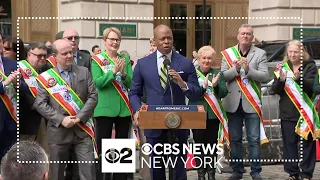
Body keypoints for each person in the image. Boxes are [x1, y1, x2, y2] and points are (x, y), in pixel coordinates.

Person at [129, 24, 201, 180]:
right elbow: (134, 93)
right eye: (163, 39)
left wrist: (183, 84)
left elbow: (196, 92)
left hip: (179, 122)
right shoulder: (143, 64)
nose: (167, 41)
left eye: (170, 38)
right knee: (157, 166)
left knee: (178, 166)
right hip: (154, 123)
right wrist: (136, 110)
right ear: (155, 41)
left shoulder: (185, 63)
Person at [35, 39, 98, 180]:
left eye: (70, 52)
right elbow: (40, 104)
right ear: (55, 56)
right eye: (65, 53)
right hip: (58, 132)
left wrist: (79, 117)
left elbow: (93, 96)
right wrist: (61, 119)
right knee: (56, 173)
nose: (69, 56)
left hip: (82, 130)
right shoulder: (46, 78)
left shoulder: (84, 72)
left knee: (88, 172)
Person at [220, 24, 269, 180]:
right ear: (238, 36)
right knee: (235, 139)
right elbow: (223, 76)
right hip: (232, 103)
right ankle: (237, 171)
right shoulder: (228, 54)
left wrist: (248, 70)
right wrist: (234, 70)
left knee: (254, 139)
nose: (245, 36)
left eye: (248, 34)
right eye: (243, 33)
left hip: (251, 103)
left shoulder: (260, 53)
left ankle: (256, 172)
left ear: (252, 37)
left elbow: (264, 77)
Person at [91, 27, 133, 180]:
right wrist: (113, 72)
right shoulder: (96, 60)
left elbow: (131, 83)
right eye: (112, 39)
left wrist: (123, 73)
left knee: (122, 150)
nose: (115, 42)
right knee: (103, 150)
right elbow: (98, 83)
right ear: (105, 41)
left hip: (123, 109)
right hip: (104, 109)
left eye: (117, 40)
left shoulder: (125, 59)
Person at [273, 40, 317, 180]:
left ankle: (306, 174)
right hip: (287, 112)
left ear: (302, 52)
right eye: (290, 52)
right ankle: (293, 173)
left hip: (305, 113)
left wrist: (299, 79)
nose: (292, 54)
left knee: (307, 145)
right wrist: (281, 80)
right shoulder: (283, 67)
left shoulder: (310, 66)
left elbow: (312, 88)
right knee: (289, 145)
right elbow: (275, 90)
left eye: (296, 52)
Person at [189, 46, 228, 180]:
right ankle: (201, 174)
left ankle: (211, 173)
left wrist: (216, 86)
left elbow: (224, 93)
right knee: (199, 145)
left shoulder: (218, 73)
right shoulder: (192, 74)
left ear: (213, 60)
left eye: (209, 58)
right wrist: (203, 88)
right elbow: (191, 94)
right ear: (199, 59)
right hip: (196, 114)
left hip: (212, 115)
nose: (206, 61)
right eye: (204, 58)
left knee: (211, 145)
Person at [18, 41, 51, 154]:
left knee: (44, 157)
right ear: (29, 54)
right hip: (26, 120)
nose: (42, 58)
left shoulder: (47, 71)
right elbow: (23, 94)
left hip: (44, 121)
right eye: (39, 56)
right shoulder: (19, 69)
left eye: (44, 56)